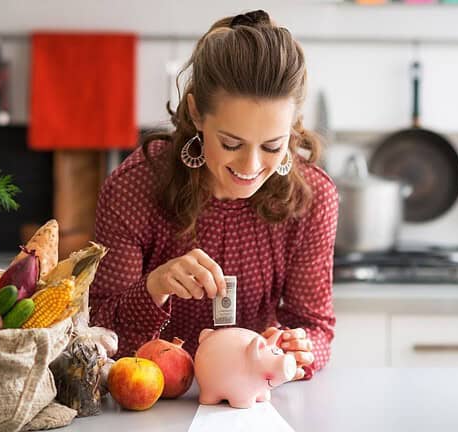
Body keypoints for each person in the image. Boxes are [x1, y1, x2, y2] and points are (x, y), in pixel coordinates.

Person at [90, 9, 338, 380]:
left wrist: (296, 350)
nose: (251, 164)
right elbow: (97, 334)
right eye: (231, 142)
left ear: (292, 127)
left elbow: (315, 327)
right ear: (197, 113)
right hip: (148, 402)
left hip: (252, 403)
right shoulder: (134, 188)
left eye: (272, 146)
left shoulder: (314, 198)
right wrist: (154, 287)